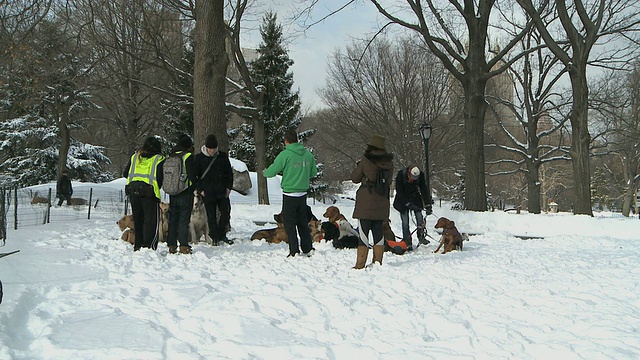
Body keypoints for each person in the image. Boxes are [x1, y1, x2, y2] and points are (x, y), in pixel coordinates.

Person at [263, 129, 318, 257]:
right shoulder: (307, 155)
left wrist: (265, 172)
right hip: (302, 195)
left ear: (286, 141)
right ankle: (307, 248)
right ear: (297, 140)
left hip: (289, 195)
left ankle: (294, 250)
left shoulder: (285, 154)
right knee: (302, 223)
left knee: (290, 224)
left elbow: (273, 171)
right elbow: (313, 172)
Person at [350, 134, 394, 269]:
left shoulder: (365, 160)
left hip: (366, 203)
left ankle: (360, 263)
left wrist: (359, 167)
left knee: (363, 234)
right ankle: (378, 262)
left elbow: (355, 178)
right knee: (378, 233)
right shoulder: (389, 163)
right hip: (382, 202)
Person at [123, 136, 165, 251]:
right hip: (150, 194)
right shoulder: (159, 159)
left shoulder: (135, 157)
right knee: (151, 222)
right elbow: (160, 178)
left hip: (133, 192)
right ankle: (149, 246)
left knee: (138, 220)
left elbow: (125, 173)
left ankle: (138, 245)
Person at [194, 134, 234, 246]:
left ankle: (222, 234)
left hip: (221, 190)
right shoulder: (199, 158)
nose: (212, 151)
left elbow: (229, 173)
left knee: (225, 213)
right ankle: (214, 236)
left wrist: (228, 187)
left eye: (214, 149)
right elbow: (195, 176)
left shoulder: (222, 156)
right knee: (211, 216)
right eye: (210, 149)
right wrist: (200, 189)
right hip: (207, 191)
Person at [165, 134, 198, 254]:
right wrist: (196, 186)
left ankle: (171, 245)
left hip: (172, 192)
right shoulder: (187, 156)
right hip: (185, 192)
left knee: (173, 220)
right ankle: (183, 245)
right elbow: (192, 175)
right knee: (183, 220)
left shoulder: (171, 156)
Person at [393, 165, 433, 247]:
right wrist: (407, 203)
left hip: (415, 198)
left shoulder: (420, 175)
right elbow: (399, 190)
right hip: (402, 199)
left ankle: (421, 236)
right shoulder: (401, 174)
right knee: (405, 222)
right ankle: (407, 241)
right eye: (412, 177)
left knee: (420, 219)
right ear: (409, 173)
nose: (413, 180)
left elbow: (424, 189)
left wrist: (428, 204)